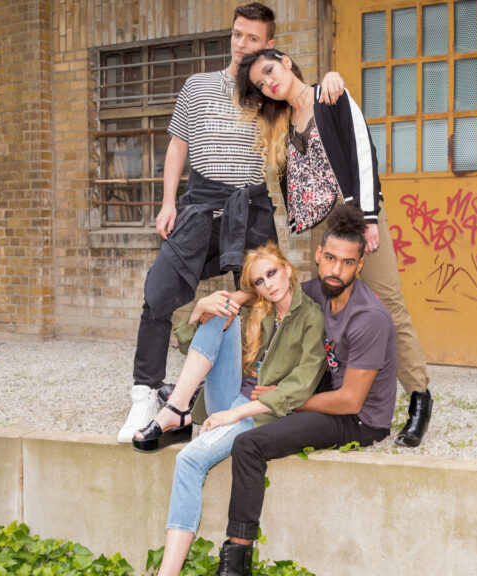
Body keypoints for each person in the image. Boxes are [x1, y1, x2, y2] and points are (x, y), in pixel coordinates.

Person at [119, 3, 346, 443]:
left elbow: (306, 103)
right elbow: (177, 145)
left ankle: (247, 386)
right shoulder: (198, 86)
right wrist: (168, 203)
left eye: (253, 39)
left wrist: (329, 82)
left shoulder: (269, 93)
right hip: (201, 204)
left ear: (270, 46)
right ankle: (145, 392)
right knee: (159, 292)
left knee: (265, 292)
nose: (243, 45)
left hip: (251, 207)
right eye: (237, 35)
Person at [234, 48, 433, 447]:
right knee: (324, 305)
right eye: (260, 82)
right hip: (317, 228)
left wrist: (369, 219)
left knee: (388, 303)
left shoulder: (329, 94)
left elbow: (363, 152)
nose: (268, 82)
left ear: (287, 61)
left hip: (354, 215)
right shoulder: (281, 123)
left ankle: (419, 398)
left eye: (270, 71)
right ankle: (335, 385)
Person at [211, 204, 397, 575]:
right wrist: (241, 297)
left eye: (347, 262)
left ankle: (236, 561)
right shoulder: (317, 289)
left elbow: (350, 401)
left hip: (357, 420)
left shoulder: (369, 318)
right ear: (318, 255)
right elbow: (271, 289)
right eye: (330, 258)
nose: (336, 270)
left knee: (249, 445)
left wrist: (285, 400)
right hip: (324, 391)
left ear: (360, 266)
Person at [134, 242, 326, 576]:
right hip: (230, 397)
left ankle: (167, 572)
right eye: (260, 281)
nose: (269, 284)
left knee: (189, 460)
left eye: (272, 273)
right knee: (221, 312)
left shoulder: (310, 317)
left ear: (288, 269)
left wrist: (236, 414)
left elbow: (302, 384)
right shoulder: (259, 308)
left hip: (257, 413)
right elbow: (188, 342)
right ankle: (177, 407)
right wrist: (200, 309)